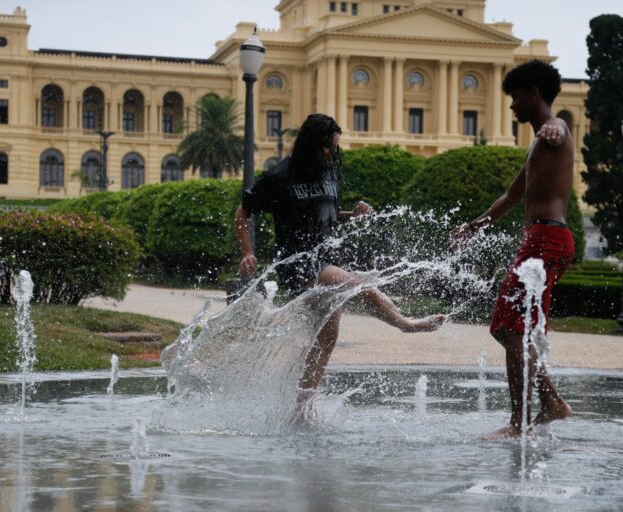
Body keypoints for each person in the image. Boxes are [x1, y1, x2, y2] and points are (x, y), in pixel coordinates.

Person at [234, 113, 446, 408]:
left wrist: (352, 216)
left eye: (334, 147)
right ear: (310, 143)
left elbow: (325, 218)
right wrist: (247, 252)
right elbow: (243, 212)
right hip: (298, 264)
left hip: (325, 258)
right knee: (357, 285)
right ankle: (405, 324)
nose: (330, 152)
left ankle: (299, 409)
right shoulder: (279, 177)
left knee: (326, 339)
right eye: (326, 146)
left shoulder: (327, 173)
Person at [451, 60, 575, 439]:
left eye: (515, 97)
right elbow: (510, 196)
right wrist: (475, 226)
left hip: (546, 239)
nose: (512, 105)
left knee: (511, 328)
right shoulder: (535, 143)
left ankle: (519, 423)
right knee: (511, 329)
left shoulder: (554, 131)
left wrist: (554, 128)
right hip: (540, 239)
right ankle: (551, 403)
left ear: (533, 93)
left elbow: (558, 130)